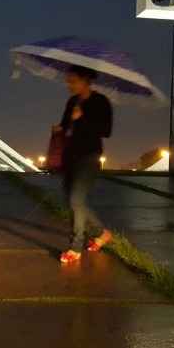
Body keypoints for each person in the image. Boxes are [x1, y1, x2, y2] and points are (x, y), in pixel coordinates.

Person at [52, 66, 113, 263]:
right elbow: (67, 127)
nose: (68, 84)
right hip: (70, 157)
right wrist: (60, 127)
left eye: (72, 81)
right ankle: (102, 233)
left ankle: (75, 248)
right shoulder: (72, 102)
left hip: (89, 157)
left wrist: (83, 118)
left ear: (85, 80)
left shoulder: (101, 102)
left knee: (76, 200)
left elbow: (106, 131)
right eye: (68, 80)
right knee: (73, 203)